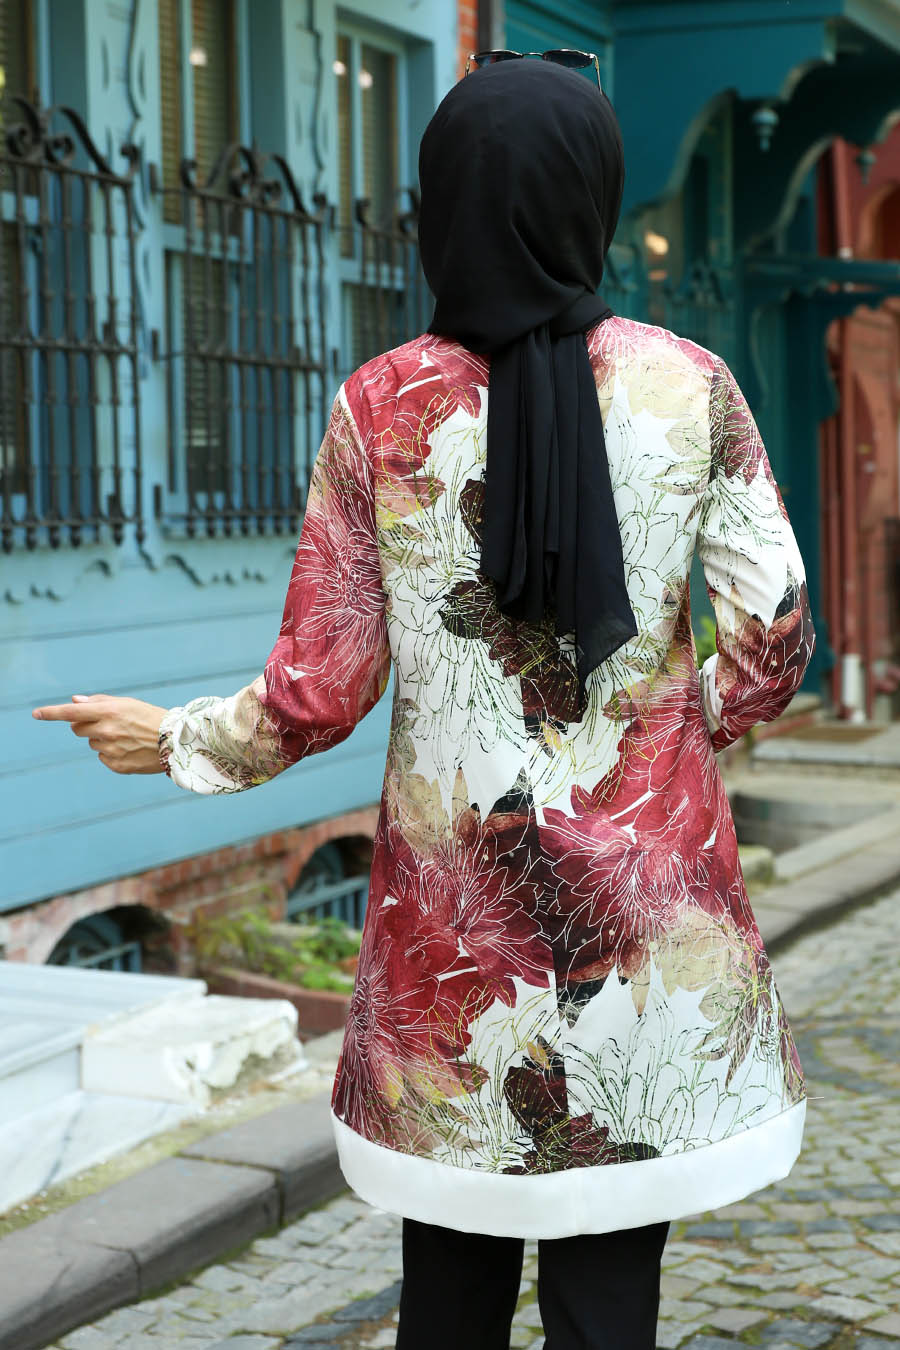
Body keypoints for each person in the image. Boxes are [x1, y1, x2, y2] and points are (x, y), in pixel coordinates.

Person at [34, 58, 814, 1350]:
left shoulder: (382, 408)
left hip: (453, 972)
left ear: (440, 199)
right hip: (654, 942)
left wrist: (172, 738)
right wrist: (666, 740)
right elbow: (774, 640)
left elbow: (316, 688)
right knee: (612, 1304)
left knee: (445, 1303)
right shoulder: (694, 387)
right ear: (594, 196)